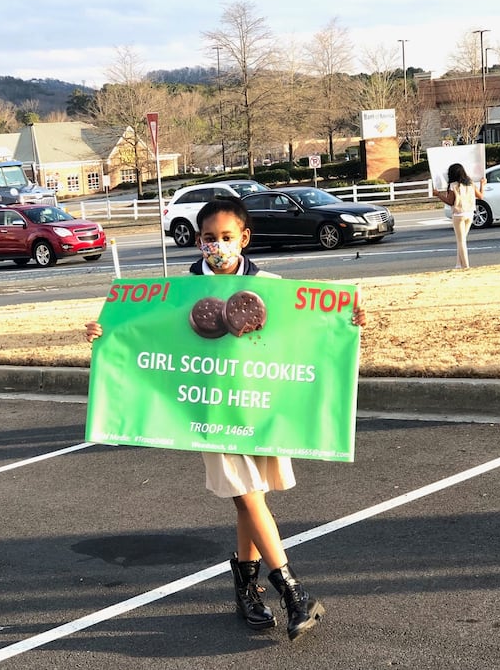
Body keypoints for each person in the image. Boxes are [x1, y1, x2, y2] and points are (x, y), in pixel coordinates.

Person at [85, 197, 366, 642]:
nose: (217, 245)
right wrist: (105, 331)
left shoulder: (270, 287)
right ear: (198, 240)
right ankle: (293, 591)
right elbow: (142, 328)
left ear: (244, 238)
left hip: (257, 405)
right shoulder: (181, 291)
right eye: (209, 238)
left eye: (226, 237)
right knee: (245, 493)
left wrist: (347, 321)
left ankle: (245, 591)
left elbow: (308, 328)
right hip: (209, 410)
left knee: (247, 498)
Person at [433, 163, 486, 270]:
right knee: (462, 240)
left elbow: (450, 202)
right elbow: (480, 196)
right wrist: (482, 184)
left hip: (458, 214)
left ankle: (465, 266)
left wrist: (438, 194)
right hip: (470, 213)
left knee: (461, 241)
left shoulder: (453, 185)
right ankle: (458, 264)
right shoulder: (470, 183)